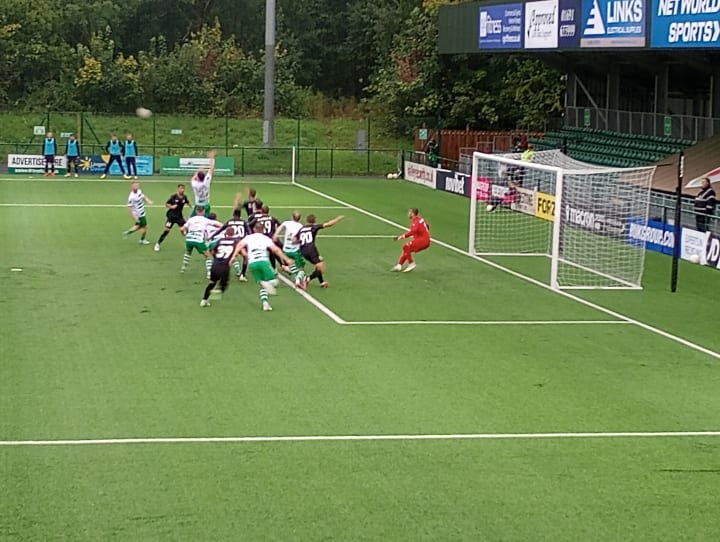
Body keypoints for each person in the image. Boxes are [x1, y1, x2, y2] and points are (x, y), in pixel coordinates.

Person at [238, 222, 293, 312]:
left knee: (263, 283)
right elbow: (276, 250)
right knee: (274, 281)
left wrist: (237, 255)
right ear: (263, 230)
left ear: (254, 229)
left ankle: (265, 303)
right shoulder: (265, 238)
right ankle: (267, 284)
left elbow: (239, 245)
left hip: (252, 263)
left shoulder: (248, 237)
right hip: (263, 262)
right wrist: (286, 259)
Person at [295, 214, 345, 288]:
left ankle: (322, 282)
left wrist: (302, 242)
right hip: (311, 250)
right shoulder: (314, 227)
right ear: (314, 221)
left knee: (319, 263)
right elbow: (328, 224)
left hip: (303, 251)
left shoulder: (301, 229)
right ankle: (308, 278)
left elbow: (294, 240)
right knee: (321, 268)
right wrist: (337, 219)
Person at [200, 228, 240, 307]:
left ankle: (204, 300)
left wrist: (216, 258)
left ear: (225, 234)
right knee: (224, 285)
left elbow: (212, 251)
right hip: (224, 267)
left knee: (212, 283)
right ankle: (215, 294)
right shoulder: (236, 242)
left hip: (215, 265)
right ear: (234, 234)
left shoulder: (220, 241)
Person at [180, 205, 223, 277]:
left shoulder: (191, 219)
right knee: (208, 255)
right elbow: (217, 224)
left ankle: (183, 268)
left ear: (196, 211)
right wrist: (224, 226)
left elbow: (182, 229)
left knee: (188, 252)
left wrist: (184, 234)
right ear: (203, 211)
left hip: (189, 239)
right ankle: (209, 273)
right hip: (198, 239)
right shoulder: (205, 220)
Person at [211, 208, 249, 281]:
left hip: (231, 242)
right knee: (245, 256)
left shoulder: (230, 221)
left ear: (233, 214)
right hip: (240, 243)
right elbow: (249, 232)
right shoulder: (243, 222)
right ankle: (242, 275)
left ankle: (219, 271)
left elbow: (221, 229)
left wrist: (213, 235)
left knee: (224, 256)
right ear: (240, 215)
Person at [391, 208, 430, 273]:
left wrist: (402, 237)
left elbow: (413, 231)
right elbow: (427, 226)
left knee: (406, 246)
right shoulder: (420, 219)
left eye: (409, 212)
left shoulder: (416, 221)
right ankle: (399, 265)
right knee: (407, 250)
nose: (408, 214)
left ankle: (411, 263)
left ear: (413, 213)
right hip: (425, 240)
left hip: (422, 241)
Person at [154, 184, 192, 251]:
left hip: (179, 217)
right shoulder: (173, 197)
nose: (183, 190)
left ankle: (188, 243)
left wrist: (192, 208)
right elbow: (166, 204)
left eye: (183, 189)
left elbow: (188, 202)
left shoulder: (184, 197)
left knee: (185, 229)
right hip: (171, 217)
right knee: (166, 231)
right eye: (181, 188)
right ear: (178, 189)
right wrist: (171, 207)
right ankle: (158, 244)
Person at [274, 211, 306, 289]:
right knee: (301, 268)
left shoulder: (286, 223)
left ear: (292, 217)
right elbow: (301, 239)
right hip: (295, 251)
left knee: (292, 265)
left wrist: (275, 235)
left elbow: (279, 229)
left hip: (286, 250)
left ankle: (289, 269)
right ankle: (297, 280)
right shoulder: (301, 226)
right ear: (299, 219)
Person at [191, 150, 215, 216]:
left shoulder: (195, 184)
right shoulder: (206, 181)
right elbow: (211, 169)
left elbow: (192, 179)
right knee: (206, 220)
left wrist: (198, 171)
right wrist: (212, 158)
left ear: (198, 178)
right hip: (206, 204)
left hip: (198, 205)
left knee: (192, 219)